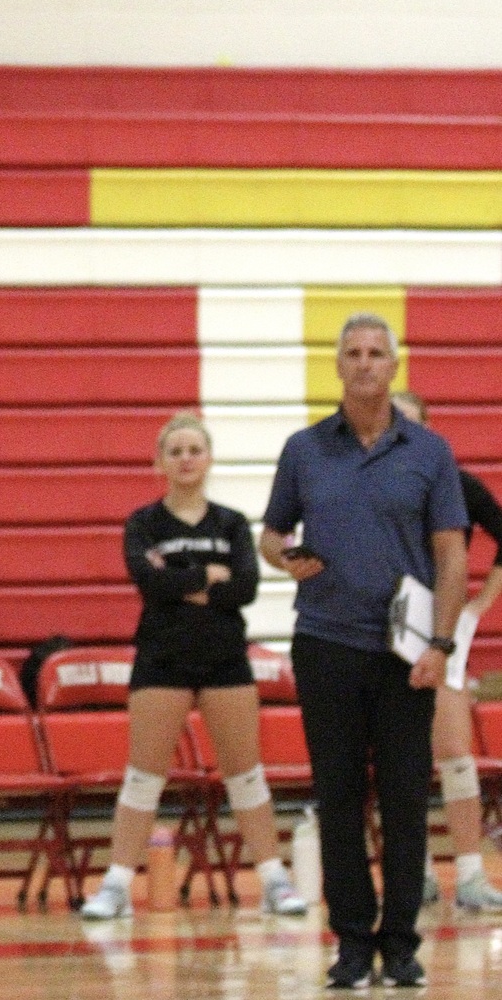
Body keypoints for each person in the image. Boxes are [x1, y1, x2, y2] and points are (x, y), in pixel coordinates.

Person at [259, 313, 469, 990]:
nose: (365, 362)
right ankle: (352, 945)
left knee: (406, 800)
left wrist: (441, 643)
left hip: (407, 654)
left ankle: (400, 945)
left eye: (377, 352)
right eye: (353, 352)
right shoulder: (304, 449)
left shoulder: (430, 452)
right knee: (339, 798)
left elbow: (452, 554)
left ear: (394, 364)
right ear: (339, 365)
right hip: (325, 643)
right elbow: (270, 535)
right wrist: (285, 557)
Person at [78, 413, 306, 920]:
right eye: (175, 451)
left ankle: (274, 880)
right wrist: (208, 576)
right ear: (159, 462)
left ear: (209, 459)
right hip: (162, 658)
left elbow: (245, 587)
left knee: (246, 775)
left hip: (225, 658)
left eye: (194, 450)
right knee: (144, 777)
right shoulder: (144, 523)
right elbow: (149, 582)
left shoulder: (231, 523)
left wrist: (181, 578)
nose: (185, 459)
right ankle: (116, 885)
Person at [390, 389, 502, 913]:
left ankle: (472, 875)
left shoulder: (457, 484)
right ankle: (415, 874)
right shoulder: (367, 485)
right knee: (397, 753)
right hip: (385, 621)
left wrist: (482, 601)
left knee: (455, 750)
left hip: (441, 617)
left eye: (412, 424)